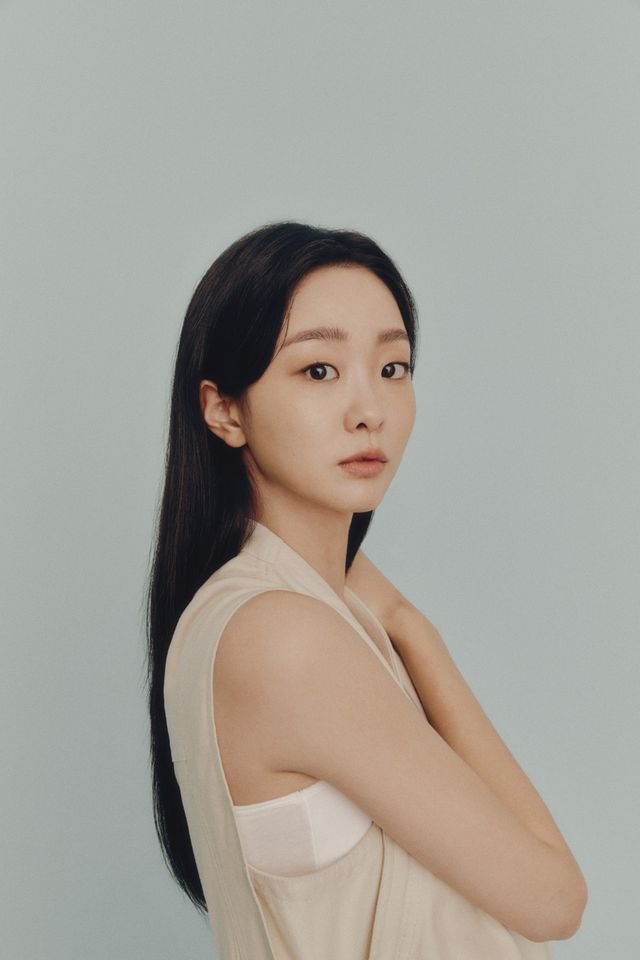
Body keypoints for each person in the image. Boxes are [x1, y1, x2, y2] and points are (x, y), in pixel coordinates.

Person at [144, 220, 587, 958]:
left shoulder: (289, 613)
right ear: (224, 410)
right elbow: (554, 900)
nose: (369, 410)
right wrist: (414, 628)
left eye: (392, 368)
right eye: (318, 370)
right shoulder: (282, 635)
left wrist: (395, 620)